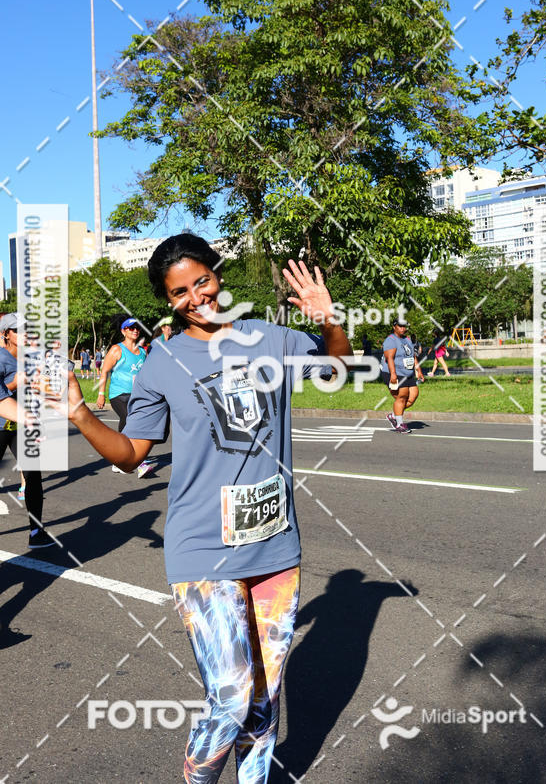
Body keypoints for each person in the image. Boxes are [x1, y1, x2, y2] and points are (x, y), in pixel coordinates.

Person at [60, 233, 352, 784]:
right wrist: (80, 415)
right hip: (202, 552)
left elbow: (337, 369)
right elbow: (130, 455)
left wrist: (330, 319)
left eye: (202, 281)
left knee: (264, 700)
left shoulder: (270, 338)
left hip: (275, 547)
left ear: (217, 275)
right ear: (166, 301)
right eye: (180, 292)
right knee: (232, 698)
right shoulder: (161, 364)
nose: (197, 297)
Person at [0, 313, 54, 548]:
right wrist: (17, 381)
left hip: (20, 425)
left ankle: (36, 531)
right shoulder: (0, 358)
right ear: (6, 334)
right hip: (1, 425)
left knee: (33, 474)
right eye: (18, 330)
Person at [96, 317, 154, 479]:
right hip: (119, 394)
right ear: (123, 331)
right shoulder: (117, 349)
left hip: (138, 395)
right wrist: (101, 394)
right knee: (129, 420)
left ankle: (120, 459)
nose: (135, 330)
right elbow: (104, 372)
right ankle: (138, 461)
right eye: (131, 328)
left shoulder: (142, 352)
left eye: (137, 328)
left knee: (135, 423)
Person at [380, 319, 419, 433]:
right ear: (394, 327)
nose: (403, 328)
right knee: (402, 396)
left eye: (404, 326)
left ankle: (393, 415)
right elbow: (390, 358)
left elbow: (412, 355)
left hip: (407, 372)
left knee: (413, 396)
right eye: (400, 326)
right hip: (394, 372)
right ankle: (399, 424)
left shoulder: (407, 339)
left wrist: (418, 369)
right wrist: (393, 374)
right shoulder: (390, 340)